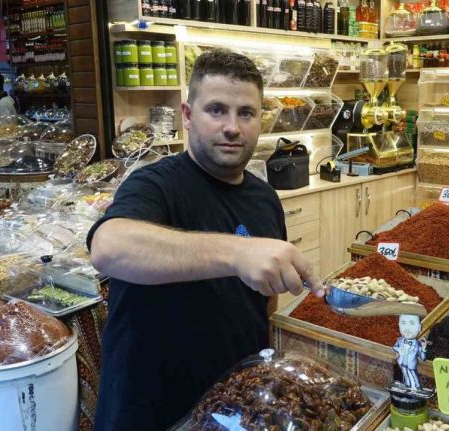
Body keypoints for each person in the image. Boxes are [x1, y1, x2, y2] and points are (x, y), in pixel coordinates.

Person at [87, 49, 325, 431]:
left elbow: (263, 305)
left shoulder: (264, 198)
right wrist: (237, 252)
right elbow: (109, 247)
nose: (232, 127)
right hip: (151, 412)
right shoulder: (155, 184)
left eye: (245, 113)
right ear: (187, 115)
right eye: (216, 110)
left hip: (234, 408)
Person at [393, 314, 426, 390]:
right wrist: (399, 350)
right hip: (402, 361)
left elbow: (423, 358)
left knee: (413, 374)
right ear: (399, 325)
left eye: (412, 323)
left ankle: (417, 386)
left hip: (411, 363)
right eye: (403, 323)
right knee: (405, 373)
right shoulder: (400, 340)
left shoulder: (418, 344)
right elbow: (394, 347)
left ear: (419, 327)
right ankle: (407, 385)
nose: (407, 328)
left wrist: (423, 349)